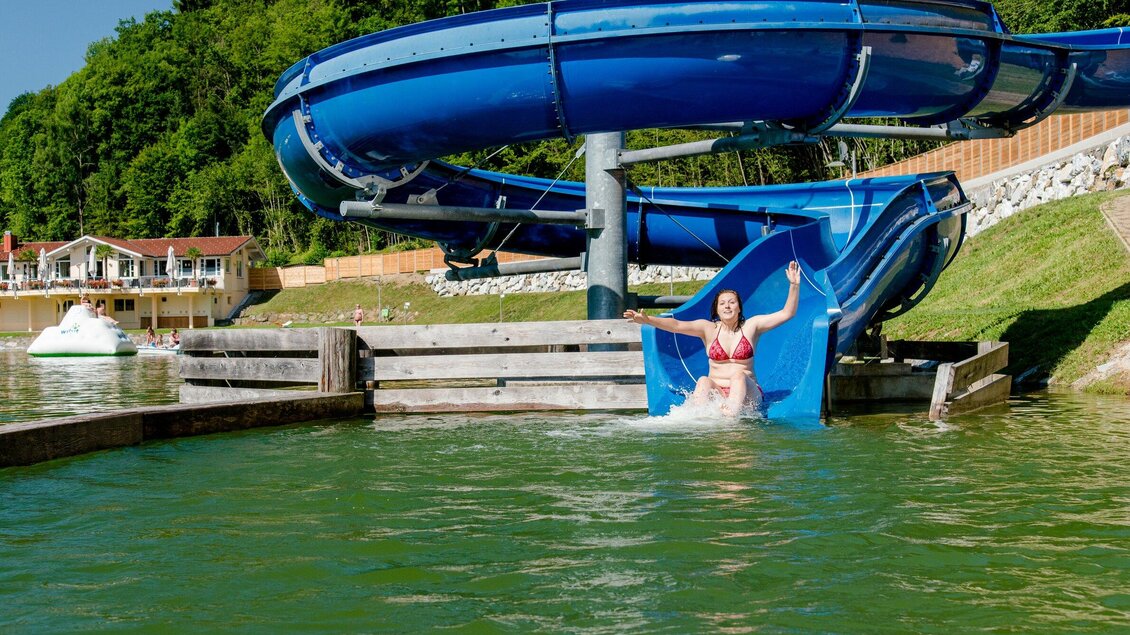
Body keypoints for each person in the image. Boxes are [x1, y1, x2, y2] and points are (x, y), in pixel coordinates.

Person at [623, 261, 801, 416]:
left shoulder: (751, 326)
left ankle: (732, 416)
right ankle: (698, 418)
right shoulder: (708, 328)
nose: (727, 306)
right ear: (716, 310)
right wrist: (647, 320)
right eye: (722, 303)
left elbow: (787, 313)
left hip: (747, 393)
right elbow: (676, 325)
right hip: (718, 392)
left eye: (732, 302)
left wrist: (794, 286)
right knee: (703, 380)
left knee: (738, 375)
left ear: (739, 307)